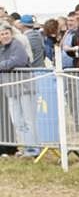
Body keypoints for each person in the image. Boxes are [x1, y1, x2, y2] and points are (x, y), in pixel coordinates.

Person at [0, 21, 40, 157]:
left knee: (29, 119)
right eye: (2, 34)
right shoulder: (2, 49)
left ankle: (33, 149)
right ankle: (28, 147)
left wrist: (2, 65)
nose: (4, 36)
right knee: (17, 120)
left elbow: (19, 60)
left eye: (6, 33)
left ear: (11, 34)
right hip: (11, 89)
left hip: (24, 87)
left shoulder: (17, 44)